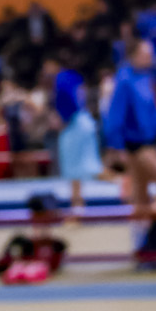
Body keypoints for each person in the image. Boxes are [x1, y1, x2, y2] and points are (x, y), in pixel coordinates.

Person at [102, 39, 156, 220]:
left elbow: (153, 113)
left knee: (140, 197)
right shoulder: (124, 80)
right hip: (136, 145)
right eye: (145, 54)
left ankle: (147, 231)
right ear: (133, 56)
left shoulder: (146, 77)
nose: (150, 58)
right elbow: (115, 115)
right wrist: (116, 146)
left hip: (148, 141)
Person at [54, 64, 101, 212]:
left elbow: (67, 106)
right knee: (84, 169)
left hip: (74, 128)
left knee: (79, 170)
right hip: (81, 124)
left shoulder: (64, 81)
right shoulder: (71, 80)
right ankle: (77, 204)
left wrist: (63, 120)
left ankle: (77, 205)